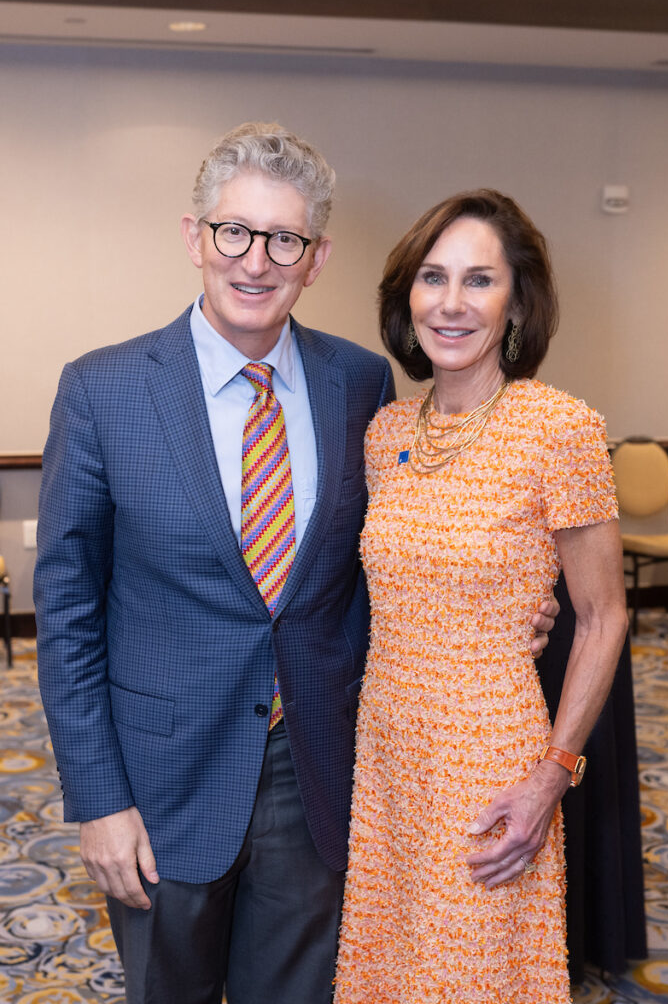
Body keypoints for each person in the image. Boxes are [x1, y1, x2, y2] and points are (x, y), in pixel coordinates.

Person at [34, 127, 557, 1004]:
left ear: (314, 259)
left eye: (285, 240)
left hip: (318, 770)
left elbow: (403, 547)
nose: (255, 261)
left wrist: (512, 610)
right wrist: (98, 799)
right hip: (160, 783)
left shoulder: (361, 385)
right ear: (194, 237)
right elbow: (68, 612)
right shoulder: (103, 390)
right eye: (234, 232)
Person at [333, 189, 629, 1004]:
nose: (451, 303)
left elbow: (603, 615)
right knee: (388, 970)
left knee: (469, 979)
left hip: (489, 762)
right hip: (388, 757)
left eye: (478, 280)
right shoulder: (386, 430)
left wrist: (551, 777)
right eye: (433, 278)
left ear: (516, 302)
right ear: (407, 298)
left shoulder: (557, 428)